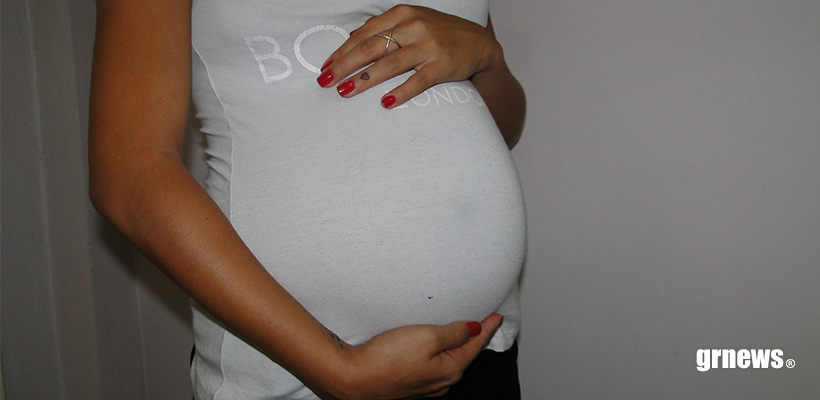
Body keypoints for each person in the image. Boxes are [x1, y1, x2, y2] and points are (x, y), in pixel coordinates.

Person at [89, 0, 526, 398]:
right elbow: (130, 175)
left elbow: (504, 127)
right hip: (296, 376)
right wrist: (338, 370)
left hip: (480, 350)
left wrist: (488, 58)